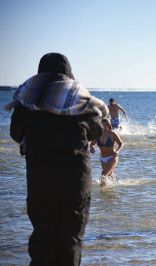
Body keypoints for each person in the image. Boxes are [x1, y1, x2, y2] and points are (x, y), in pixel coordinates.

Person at [9, 53, 108, 265]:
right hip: (75, 181)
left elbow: (16, 132)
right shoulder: (78, 97)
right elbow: (97, 131)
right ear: (68, 74)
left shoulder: (28, 99)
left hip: (39, 180)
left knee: (42, 239)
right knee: (70, 239)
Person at [90, 118, 123, 186]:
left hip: (112, 157)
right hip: (102, 159)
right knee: (109, 176)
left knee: (103, 175)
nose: (103, 127)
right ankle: (116, 186)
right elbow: (92, 143)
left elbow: (121, 144)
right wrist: (92, 147)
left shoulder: (112, 134)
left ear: (109, 125)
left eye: (105, 125)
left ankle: (102, 193)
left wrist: (117, 152)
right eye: (101, 125)